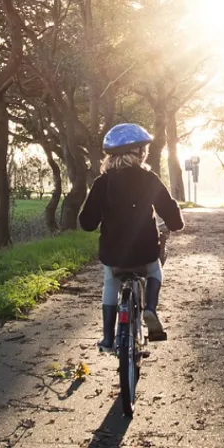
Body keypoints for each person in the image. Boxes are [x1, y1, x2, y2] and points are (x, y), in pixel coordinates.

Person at [79, 123, 184, 353]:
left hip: (113, 255)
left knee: (110, 281)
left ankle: (108, 338)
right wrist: (174, 222)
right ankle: (150, 309)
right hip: (145, 253)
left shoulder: (101, 183)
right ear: (139, 152)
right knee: (155, 270)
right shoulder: (150, 179)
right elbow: (173, 218)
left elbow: (86, 223)